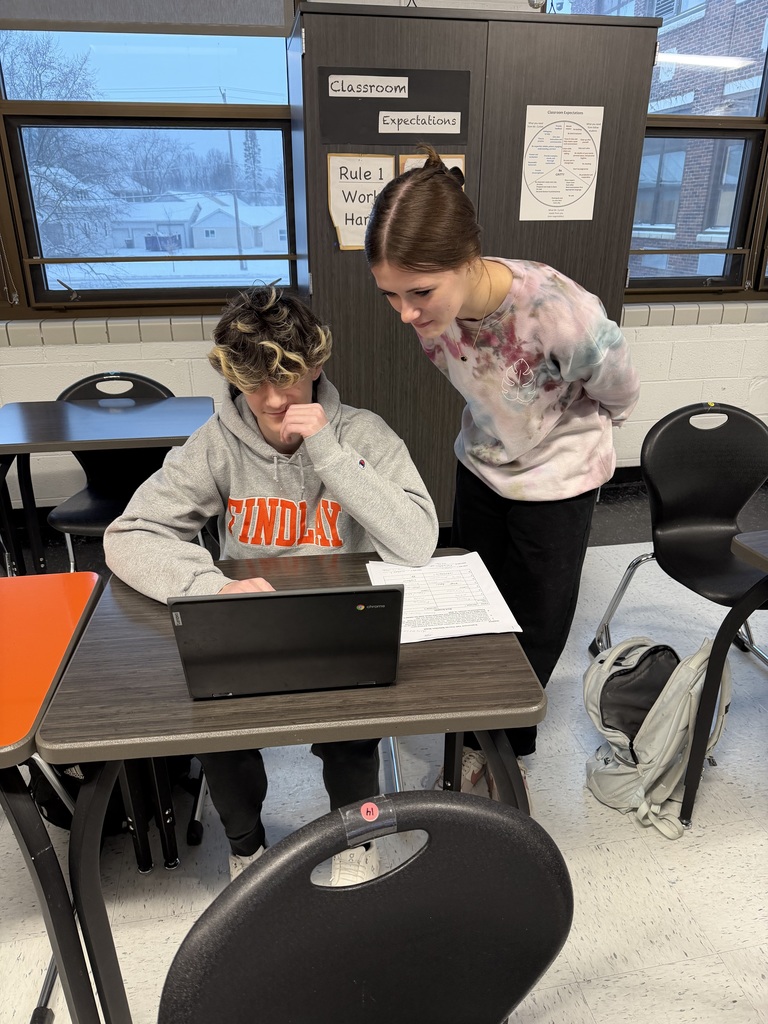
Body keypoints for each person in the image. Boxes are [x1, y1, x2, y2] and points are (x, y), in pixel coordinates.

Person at [104, 285, 438, 885]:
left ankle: (356, 834)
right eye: (257, 387)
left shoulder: (362, 433)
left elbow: (417, 541)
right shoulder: (219, 442)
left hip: (339, 619)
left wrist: (330, 453)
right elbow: (127, 535)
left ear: (317, 366)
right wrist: (209, 587)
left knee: (353, 729)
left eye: (291, 380)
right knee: (222, 730)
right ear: (235, 379)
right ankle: (246, 845)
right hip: (246, 620)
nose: (277, 401)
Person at [365, 146, 640, 793]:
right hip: (484, 464)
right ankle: (471, 733)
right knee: (477, 609)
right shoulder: (429, 309)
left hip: (561, 476)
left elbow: (620, 388)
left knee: (537, 624)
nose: (406, 313)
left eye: (420, 292)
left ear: (467, 260)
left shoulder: (556, 309)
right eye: (390, 295)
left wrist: (565, 433)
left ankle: (506, 748)